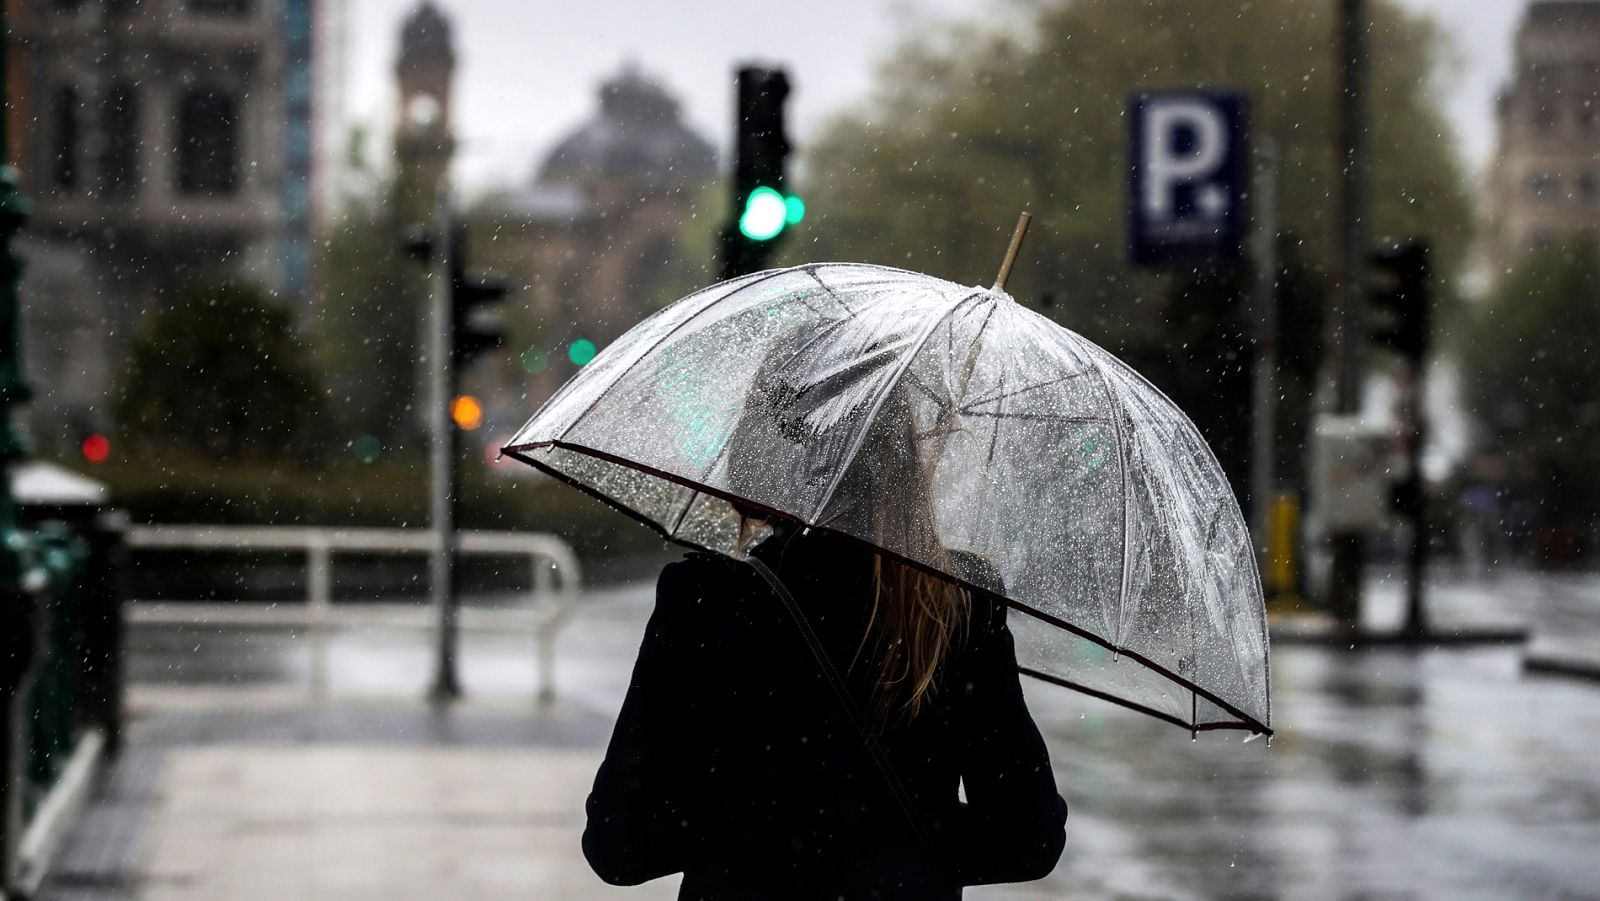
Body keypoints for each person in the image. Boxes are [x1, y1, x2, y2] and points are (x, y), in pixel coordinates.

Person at [582, 323, 1067, 898]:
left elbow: (621, 843)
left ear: (762, 445)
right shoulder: (956, 599)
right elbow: (1027, 836)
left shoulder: (708, 599)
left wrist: (752, 835)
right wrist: (885, 841)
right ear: (896, 453)